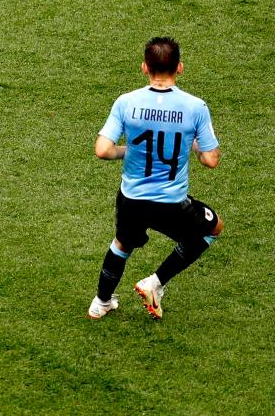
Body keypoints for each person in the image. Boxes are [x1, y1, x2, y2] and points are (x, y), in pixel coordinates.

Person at [87, 37, 221, 320]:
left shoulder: (127, 102)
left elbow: (102, 150)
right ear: (180, 67)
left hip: (132, 198)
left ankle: (101, 303)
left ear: (144, 67)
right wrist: (191, 144)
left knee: (122, 244)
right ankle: (155, 282)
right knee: (212, 228)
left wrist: (130, 150)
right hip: (171, 203)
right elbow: (210, 160)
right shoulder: (195, 107)